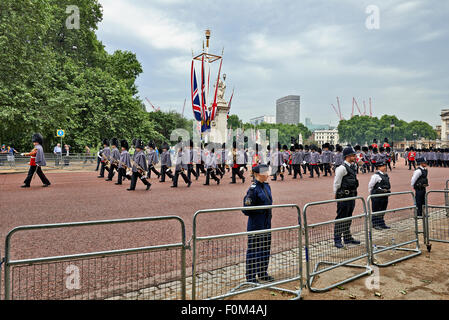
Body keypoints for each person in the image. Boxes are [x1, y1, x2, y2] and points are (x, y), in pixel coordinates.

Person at [242, 164, 274, 284]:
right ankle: (250, 277)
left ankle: (262, 273)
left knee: (265, 247)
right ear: (258, 174)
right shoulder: (253, 189)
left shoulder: (266, 186)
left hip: (266, 223)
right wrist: (261, 209)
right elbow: (246, 209)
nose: (267, 175)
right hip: (256, 224)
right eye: (265, 173)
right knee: (254, 250)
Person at [333, 145, 361, 248]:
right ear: (348, 156)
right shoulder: (341, 168)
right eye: (353, 155)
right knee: (341, 218)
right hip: (343, 196)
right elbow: (336, 183)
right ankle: (337, 239)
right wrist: (336, 194)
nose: (355, 157)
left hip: (351, 196)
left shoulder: (353, 167)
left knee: (348, 217)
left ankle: (347, 237)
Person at [368, 161, 391, 230]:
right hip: (377, 196)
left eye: (385, 166)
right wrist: (372, 195)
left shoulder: (386, 175)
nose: (384, 167)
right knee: (376, 210)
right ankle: (375, 224)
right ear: (378, 168)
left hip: (384, 195)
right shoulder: (375, 176)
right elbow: (370, 186)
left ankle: (381, 223)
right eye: (382, 166)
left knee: (383, 210)